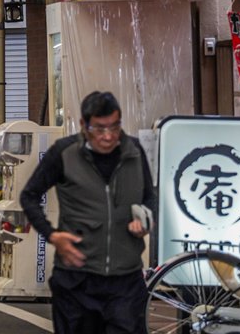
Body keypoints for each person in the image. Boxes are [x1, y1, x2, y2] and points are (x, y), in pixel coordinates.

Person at [20, 91, 155, 334]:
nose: (108, 136)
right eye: (99, 128)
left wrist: (144, 218)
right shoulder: (64, 152)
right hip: (76, 281)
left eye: (114, 127)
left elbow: (149, 197)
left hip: (125, 280)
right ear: (84, 125)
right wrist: (52, 235)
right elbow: (29, 195)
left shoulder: (134, 151)